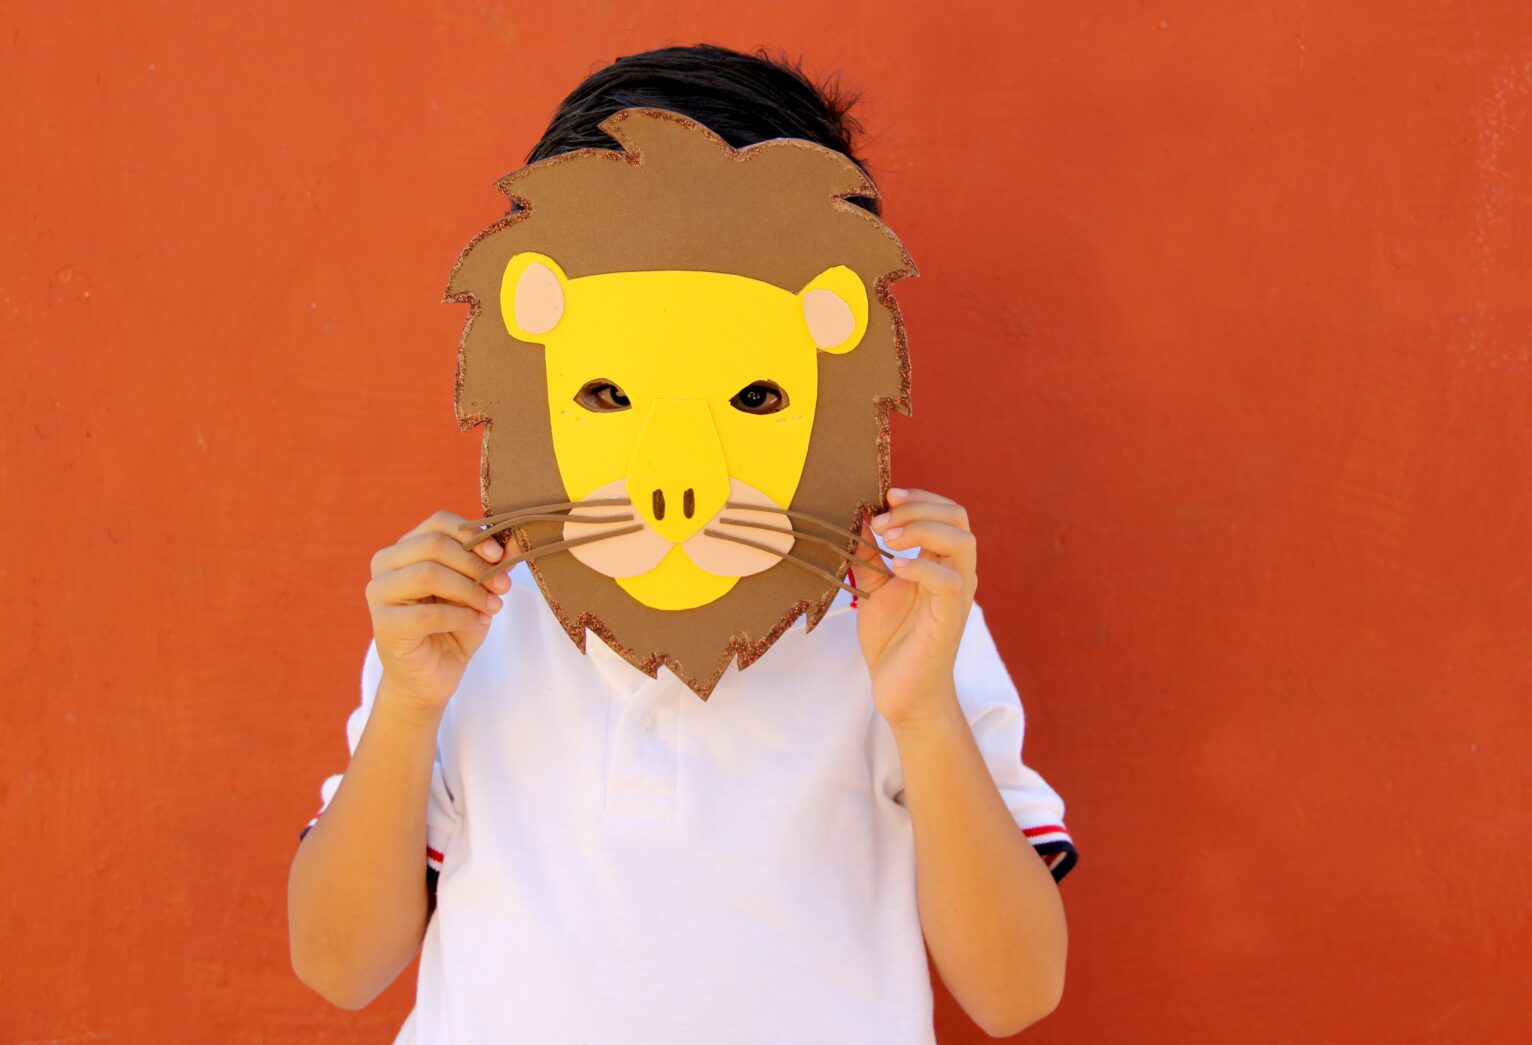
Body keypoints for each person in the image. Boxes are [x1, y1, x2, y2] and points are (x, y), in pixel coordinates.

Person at [287, 43, 1077, 1043]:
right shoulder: (465, 623)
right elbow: (339, 963)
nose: (675, 482)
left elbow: (1015, 992)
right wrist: (407, 705)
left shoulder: (903, 618)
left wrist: (920, 712)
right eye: (608, 393)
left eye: (752, 397)